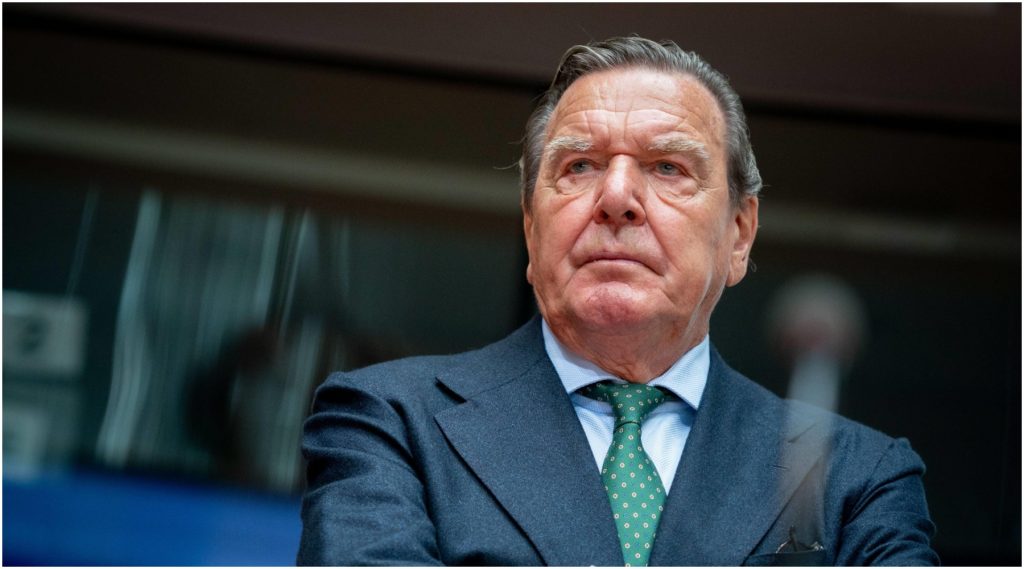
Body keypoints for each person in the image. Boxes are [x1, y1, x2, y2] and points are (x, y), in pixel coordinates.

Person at [298, 36, 938, 566]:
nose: (616, 198)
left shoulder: (857, 477)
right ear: (531, 229)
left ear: (739, 235)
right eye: (579, 165)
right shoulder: (389, 424)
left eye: (668, 167)